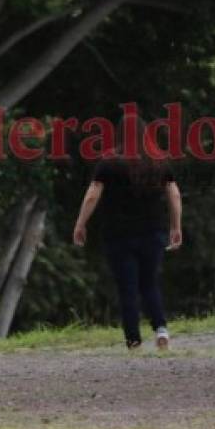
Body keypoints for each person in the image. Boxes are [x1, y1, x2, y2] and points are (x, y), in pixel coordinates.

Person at [72, 117, 181, 350]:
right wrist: (176, 226)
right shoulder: (159, 161)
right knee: (150, 282)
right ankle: (161, 329)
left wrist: (81, 223)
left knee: (127, 288)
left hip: (118, 234)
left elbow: (93, 194)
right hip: (153, 231)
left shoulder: (108, 163)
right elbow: (174, 195)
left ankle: (134, 341)